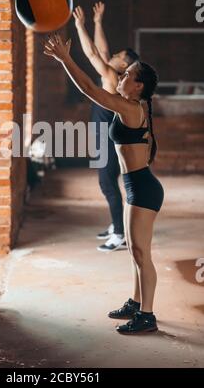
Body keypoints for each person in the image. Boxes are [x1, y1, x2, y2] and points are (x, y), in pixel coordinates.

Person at [44, 34, 164, 335]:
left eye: (126, 75)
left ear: (138, 86)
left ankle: (147, 315)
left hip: (143, 189)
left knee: (141, 254)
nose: (120, 78)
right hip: (135, 186)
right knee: (134, 250)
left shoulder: (130, 109)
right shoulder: (131, 106)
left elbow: (89, 89)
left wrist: (65, 59)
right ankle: (136, 303)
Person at [73, 2, 139, 252]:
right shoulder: (115, 74)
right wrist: (98, 22)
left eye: (118, 56)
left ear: (123, 65)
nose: (112, 55)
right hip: (108, 137)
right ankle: (116, 224)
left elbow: (92, 54)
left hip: (108, 141)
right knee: (109, 181)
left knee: (107, 184)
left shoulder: (112, 78)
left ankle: (120, 235)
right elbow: (102, 50)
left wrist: (80, 26)